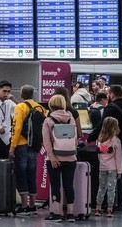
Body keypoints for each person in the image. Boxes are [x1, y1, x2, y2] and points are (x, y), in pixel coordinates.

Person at [88, 85, 122, 211]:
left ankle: (107, 204)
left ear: (112, 94)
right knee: (119, 173)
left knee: (109, 178)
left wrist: (90, 137)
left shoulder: (111, 107)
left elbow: (102, 124)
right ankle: (120, 202)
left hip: (111, 145)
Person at [9, 85, 47, 215]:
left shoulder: (19, 107)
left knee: (21, 173)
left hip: (22, 144)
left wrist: (12, 146)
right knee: (32, 173)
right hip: (35, 145)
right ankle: (32, 204)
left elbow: (17, 128)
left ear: (21, 94)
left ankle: (24, 205)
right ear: (33, 94)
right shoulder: (40, 108)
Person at [43, 94, 78, 222]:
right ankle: (70, 214)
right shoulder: (71, 118)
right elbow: (75, 139)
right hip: (71, 158)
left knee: (56, 185)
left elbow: (47, 142)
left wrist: (52, 157)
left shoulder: (48, 120)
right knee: (69, 185)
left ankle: (56, 213)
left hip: (55, 159)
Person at [94, 117, 122, 218]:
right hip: (112, 169)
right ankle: (109, 209)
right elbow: (118, 157)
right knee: (111, 189)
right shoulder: (116, 141)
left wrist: (102, 163)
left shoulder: (99, 140)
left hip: (102, 168)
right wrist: (119, 171)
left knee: (101, 188)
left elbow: (98, 155)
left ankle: (98, 208)